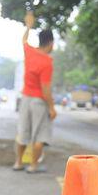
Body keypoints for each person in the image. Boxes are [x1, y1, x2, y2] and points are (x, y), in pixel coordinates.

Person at [14, 10, 56, 173]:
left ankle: (18, 162)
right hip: (38, 101)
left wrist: (28, 27)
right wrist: (52, 107)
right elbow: (46, 89)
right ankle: (33, 165)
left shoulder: (29, 52)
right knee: (39, 135)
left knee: (23, 131)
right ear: (50, 43)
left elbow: (24, 39)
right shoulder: (47, 62)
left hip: (25, 99)